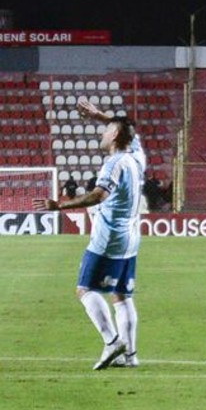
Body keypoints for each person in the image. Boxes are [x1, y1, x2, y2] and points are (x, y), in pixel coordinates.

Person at [33, 99, 146, 370]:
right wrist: (98, 115)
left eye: (107, 130)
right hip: (131, 238)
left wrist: (59, 205)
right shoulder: (137, 156)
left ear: (115, 135)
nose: (102, 133)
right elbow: (129, 131)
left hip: (109, 238)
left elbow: (98, 195)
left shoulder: (114, 163)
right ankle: (130, 356)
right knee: (121, 295)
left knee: (85, 290)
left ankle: (112, 342)